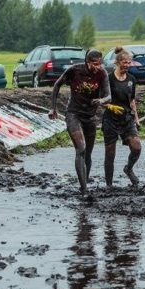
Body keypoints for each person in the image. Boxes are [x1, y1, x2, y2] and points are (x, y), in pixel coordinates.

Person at [49, 49, 110, 195]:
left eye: (100, 63)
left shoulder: (102, 73)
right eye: (94, 64)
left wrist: (101, 100)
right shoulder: (74, 70)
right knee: (80, 149)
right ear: (87, 62)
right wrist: (53, 108)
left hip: (90, 117)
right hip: (73, 114)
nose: (97, 66)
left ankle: (85, 181)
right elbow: (57, 85)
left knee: (88, 153)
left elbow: (109, 95)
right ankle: (83, 189)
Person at [102, 46, 142, 187]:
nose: (127, 65)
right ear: (118, 62)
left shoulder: (132, 79)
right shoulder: (108, 78)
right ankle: (109, 185)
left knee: (136, 147)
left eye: (129, 62)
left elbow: (132, 101)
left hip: (127, 119)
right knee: (110, 154)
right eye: (125, 62)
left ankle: (129, 169)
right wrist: (109, 106)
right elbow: (99, 100)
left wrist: (136, 119)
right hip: (110, 120)